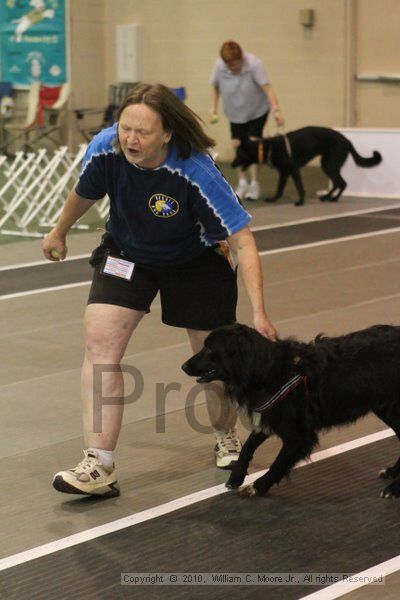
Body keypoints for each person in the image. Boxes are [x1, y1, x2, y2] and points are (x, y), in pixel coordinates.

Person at [42, 82, 277, 498]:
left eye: (142, 132)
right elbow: (84, 192)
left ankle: (225, 434)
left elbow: (243, 240)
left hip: (197, 260)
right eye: (125, 128)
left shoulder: (197, 169)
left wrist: (259, 312)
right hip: (128, 252)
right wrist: (58, 231)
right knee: (100, 344)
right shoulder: (105, 147)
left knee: (213, 364)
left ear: (167, 133)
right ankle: (99, 463)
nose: (130, 139)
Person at [210, 40, 284, 201]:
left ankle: (254, 184)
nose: (233, 69)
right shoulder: (219, 65)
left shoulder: (254, 64)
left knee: (254, 144)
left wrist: (276, 110)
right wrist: (213, 108)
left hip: (257, 112)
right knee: (238, 145)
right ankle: (242, 182)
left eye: (235, 65)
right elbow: (215, 87)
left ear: (241, 58)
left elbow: (268, 88)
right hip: (235, 113)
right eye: (229, 66)